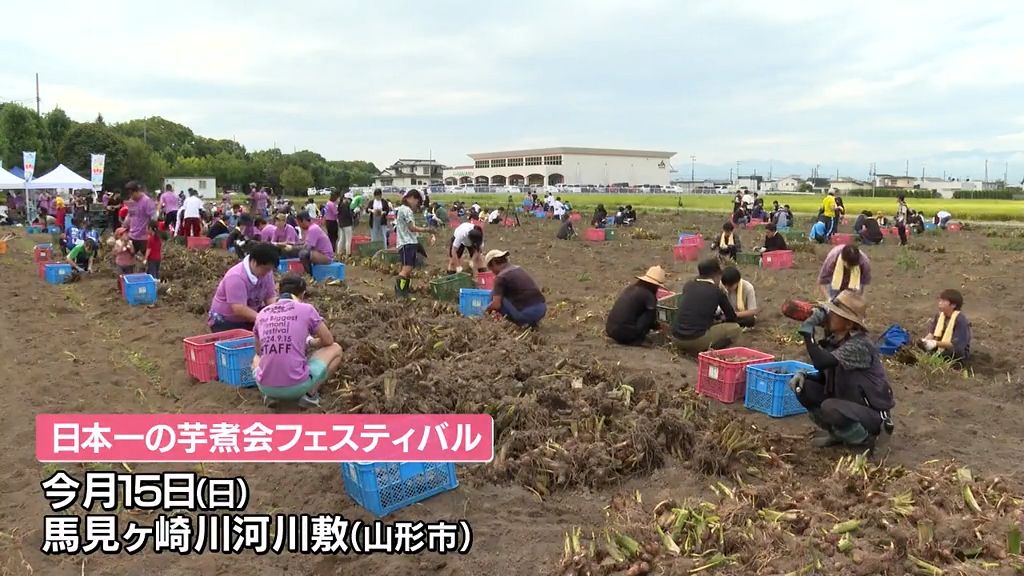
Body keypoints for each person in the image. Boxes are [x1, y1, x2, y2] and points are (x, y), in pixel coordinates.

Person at [792, 290, 895, 449]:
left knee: (830, 407)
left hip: (871, 414)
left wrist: (808, 332)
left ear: (848, 323)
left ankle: (864, 441)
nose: (828, 315)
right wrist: (803, 375)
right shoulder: (834, 340)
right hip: (847, 403)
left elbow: (821, 362)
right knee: (804, 388)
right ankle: (837, 434)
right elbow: (826, 375)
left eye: (834, 313)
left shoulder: (859, 345)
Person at [252, 275, 343, 408]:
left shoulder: (262, 313)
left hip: (265, 386)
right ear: (302, 294)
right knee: (335, 348)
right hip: (297, 386)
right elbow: (328, 340)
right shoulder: (306, 309)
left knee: (256, 358)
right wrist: (310, 343)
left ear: (279, 292)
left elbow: (259, 351)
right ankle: (310, 394)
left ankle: (271, 395)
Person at [671, 258, 741, 354]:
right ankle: (708, 351)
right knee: (735, 328)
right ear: (717, 275)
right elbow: (732, 317)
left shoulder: (688, 285)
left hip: (676, 338)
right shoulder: (717, 291)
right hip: (695, 340)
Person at [207, 242, 280, 332]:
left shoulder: (267, 273)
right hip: (226, 320)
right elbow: (239, 309)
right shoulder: (236, 277)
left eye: (270, 269)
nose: (268, 272)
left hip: (250, 317)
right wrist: (264, 319)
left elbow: (270, 297)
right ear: (254, 262)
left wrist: (278, 314)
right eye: (266, 269)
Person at [484, 250, 546, 327]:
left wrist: (485, 311)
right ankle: (532, 324)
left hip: (527, 314)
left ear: (493, 264)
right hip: (542, 309)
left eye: (491, 269)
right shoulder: (518, 268)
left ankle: (522, 322)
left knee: (494, 294)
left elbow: (496, 305)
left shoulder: (501, 277)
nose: (492, 272)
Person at [605, 266, 666, 345]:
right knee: (650, 313)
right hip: (625, 334)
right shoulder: (648, 295)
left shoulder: (631, 288)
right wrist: (657, 326)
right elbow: (650, 319)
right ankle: (637, 340)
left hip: (610, 329)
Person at [393, 189, 435, 297]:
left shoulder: (403, 209)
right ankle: (400, 292)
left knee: (408, 269)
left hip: (407, 242)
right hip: (407, 243)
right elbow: (411, 228)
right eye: (418, 202)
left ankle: (404, 291)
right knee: (406, 269)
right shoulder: (406, 210)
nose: (417, 205)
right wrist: (427, 230)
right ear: (411, 198)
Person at [920, 289, 971, 362]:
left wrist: (935, 343)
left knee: (952, 353)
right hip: (940, 347)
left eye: (943, 301)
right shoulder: (939, 316)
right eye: (940, 300)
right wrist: (925, 341)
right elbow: (931, 333)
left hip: (956, 353)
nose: (940, 303)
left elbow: (956, 345)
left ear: (953, 305)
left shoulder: (961, 320)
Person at [125, 181, 157, 254]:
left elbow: (154, 217)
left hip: (144, 236)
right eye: (129, 194)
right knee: (129, 256)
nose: (131, 196)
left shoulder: (147, 201)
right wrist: (124, 224)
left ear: (137, 191)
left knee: (148, 257)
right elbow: (130, 215)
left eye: (132, 194)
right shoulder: (131, 201)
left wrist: (151, 230)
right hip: (132, 235)